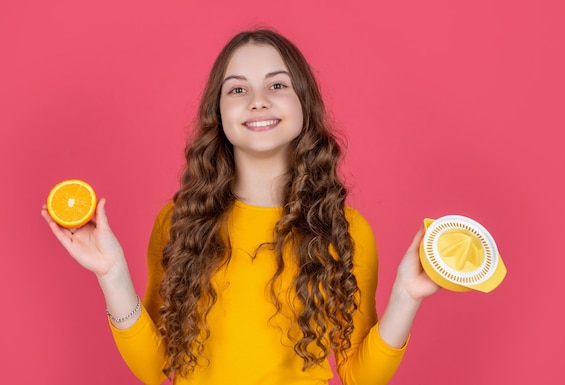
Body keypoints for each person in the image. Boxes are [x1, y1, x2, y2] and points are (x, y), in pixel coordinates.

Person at [41, 29, 439, 385]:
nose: (258, 101)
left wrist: (405, 295)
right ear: (219, 113)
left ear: (304, 103)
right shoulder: (180, 222)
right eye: (237, 89)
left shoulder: (346, 231)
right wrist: (112, 275)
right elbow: (154, 367)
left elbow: (360, 376)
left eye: (277, 85)